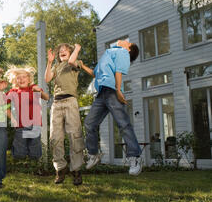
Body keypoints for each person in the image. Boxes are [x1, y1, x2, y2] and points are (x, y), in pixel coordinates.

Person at [83, 40, 143, 176]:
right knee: (89, 123)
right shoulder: (108, 53)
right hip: (101, 93)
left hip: (112, 92)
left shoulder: (122, 53)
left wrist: (118, 90)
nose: (125, 41)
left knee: (123, 124)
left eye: (129, 42)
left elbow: (119, 71)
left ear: (128, 49)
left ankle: (135, 157)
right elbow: (94, 73)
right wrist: (82, 66)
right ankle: (93, 154)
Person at [45, 43, 94, 186]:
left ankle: (76, 170)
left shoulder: (75, 63)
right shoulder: (56, 66)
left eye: (65, 50)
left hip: (70, 101)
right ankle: (60, 168)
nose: (62, 52)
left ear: (71, 52)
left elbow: (72, 61)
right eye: (60, 51)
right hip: (57, 103)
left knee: (75, 136)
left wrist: (78, 49)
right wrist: (49, 62)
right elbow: (47, 79)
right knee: (55, 137)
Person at [4, 66, 49, 160]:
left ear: (29, 79)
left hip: (35, 124)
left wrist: (39, 92)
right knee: (19, 153)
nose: (21, 79)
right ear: (15, 81)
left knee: (35, 152)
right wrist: (12, 119)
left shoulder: (33, 88)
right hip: (21, 125)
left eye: (24, 77)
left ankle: (34, 166)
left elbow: (46, 97)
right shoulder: (13, 91)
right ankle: (21, 164)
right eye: (18, 78)